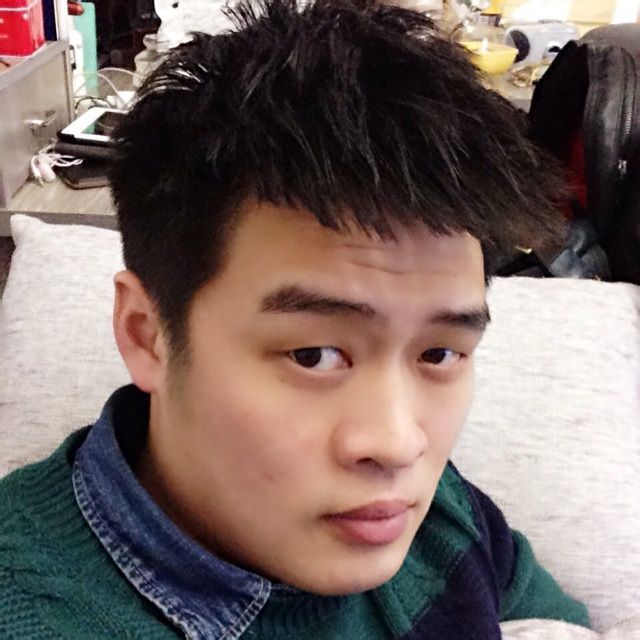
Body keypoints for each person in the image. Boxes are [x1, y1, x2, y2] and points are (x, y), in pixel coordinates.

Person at [0, 0, 590, 637]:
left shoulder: (440, 519)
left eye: (438, 354)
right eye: (315, 355)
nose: (398, 444)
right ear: (147, 335)